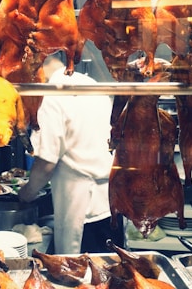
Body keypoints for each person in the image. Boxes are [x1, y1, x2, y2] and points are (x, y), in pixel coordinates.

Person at [18, 54, 123, 254]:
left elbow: (46, 163)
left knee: (80, 280)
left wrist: (27, 193)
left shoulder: (51, 94)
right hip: (111, 204)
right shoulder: (89, 83)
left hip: (82, 211)